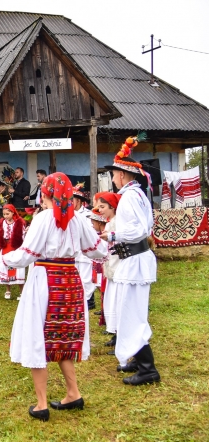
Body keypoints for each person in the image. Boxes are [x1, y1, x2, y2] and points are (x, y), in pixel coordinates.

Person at [0, 172, 107, 421]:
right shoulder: (79, 220)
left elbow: (26, 254)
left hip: (46, 280)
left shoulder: (43, 219)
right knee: (61, 336)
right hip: (69, 281)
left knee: (37, 336)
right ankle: (73, 393)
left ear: (46, 194)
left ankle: (41, 404)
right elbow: (98, 250)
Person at [101, 136, 160, 385]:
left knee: (131, 313)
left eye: (113, 173)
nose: (112, 178)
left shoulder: (130, 197)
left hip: (135, 259)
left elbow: (139, 230)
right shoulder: (134, 195)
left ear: (123, 175)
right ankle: (138, 358)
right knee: (130, 311)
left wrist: (112, 234)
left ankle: (148, 369)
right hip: (132, 259)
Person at [97, 193, 121, 353]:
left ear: (112, 207)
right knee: (111, 303)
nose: (100, 210)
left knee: (118, 304)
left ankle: (120, 338)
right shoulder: (110, 223)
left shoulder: (117, 224)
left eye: (102, 207)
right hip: (111, 266)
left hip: (117, 266)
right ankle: (116, 336)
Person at [71, 183, 97, 311]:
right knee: (76, 277)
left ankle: (88, 300)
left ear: (79, 201)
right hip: (74, 252)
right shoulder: (69, 215)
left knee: (86, 278)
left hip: (85, 252)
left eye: (73, 200)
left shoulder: (88, 215)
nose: (70, 202)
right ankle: (79, 299)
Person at [85, 207, 108, 326]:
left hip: (105, 264)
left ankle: (107, 311)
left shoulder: (106, 234)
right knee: (100, 286)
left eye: (93, 223)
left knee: (104, 287)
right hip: (98, 262)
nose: (92, 225)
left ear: (99, 222)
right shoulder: (98, 233)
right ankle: (105, 309)